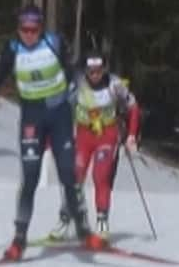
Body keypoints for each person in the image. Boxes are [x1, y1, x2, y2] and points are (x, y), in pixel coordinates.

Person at [0, 5, 103, 260]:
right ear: (18, 28)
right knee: (30, 178)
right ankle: (19, 240)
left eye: (34, 29)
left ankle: (83, 230)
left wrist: (90, 107)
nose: (29, 34)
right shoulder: (13, 51)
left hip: (59, 116)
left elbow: (75, 75)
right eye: (24, 29)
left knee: (68, 174)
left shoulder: (54, 43)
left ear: (41, 28)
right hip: (32, 117)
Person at [50, 53, 140, 240]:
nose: (95, 75)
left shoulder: (115, 85)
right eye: (91, 71)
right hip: (84, 135)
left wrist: (131, 136)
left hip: (107, 135)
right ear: (85, 71)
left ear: (104, 69)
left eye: (99, 71)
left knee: (100, 175)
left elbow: (134, 108)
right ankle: (65, 220)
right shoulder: (77, 84)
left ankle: (102, 223)